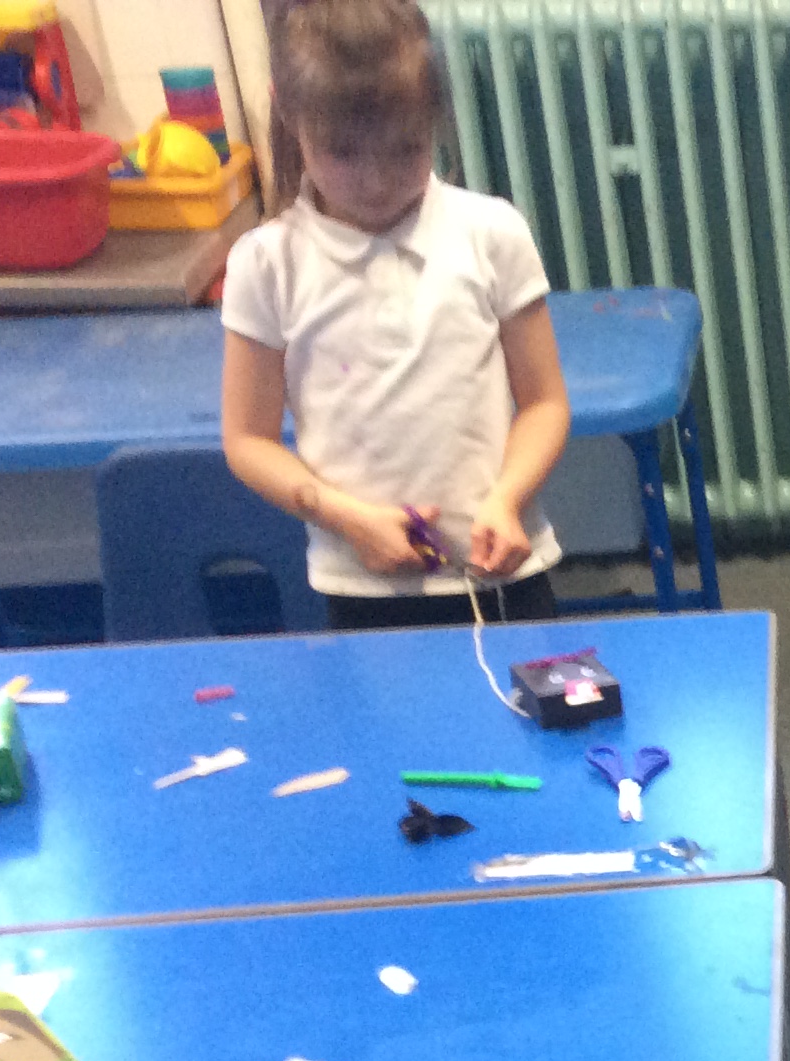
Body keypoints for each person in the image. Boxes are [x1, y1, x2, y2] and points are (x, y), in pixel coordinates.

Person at [219, 0, 569, 632]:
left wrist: (507, 498)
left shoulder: (492, 232)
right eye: (343, 152)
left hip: (504, 572)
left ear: (434, 120)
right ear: (288, 111)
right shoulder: (266, 264)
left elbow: (544, 402)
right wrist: (348, 518)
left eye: (407, 149)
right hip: (364, 582)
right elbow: (248, 440)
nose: (377, 181)